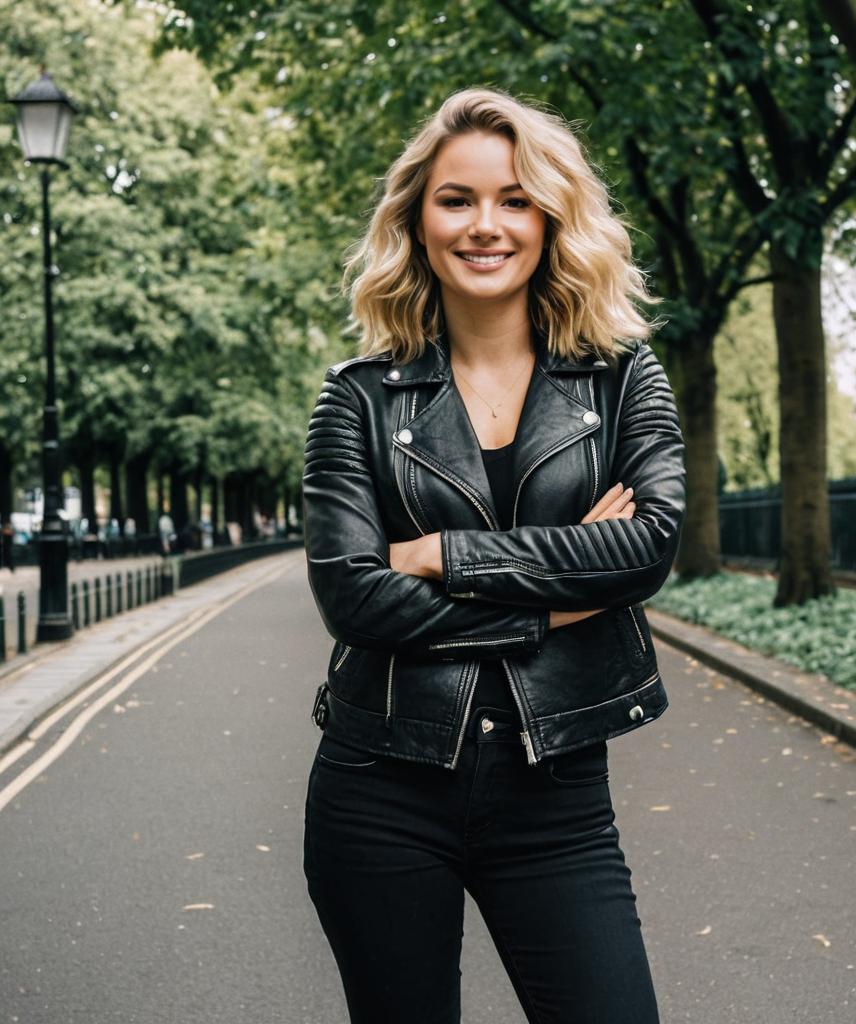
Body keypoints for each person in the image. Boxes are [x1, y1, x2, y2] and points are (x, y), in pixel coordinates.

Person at [302, 87, 686, 1024]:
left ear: (552, 219)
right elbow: (355, 599)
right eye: (457, 199)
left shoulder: (623, 372)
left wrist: (443, 552)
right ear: (418, 221)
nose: (486, 224)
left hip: (555, 800)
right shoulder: (355, 399)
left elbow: (648, 544)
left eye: (515, 199)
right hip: (379, 788)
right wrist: (563, 594)